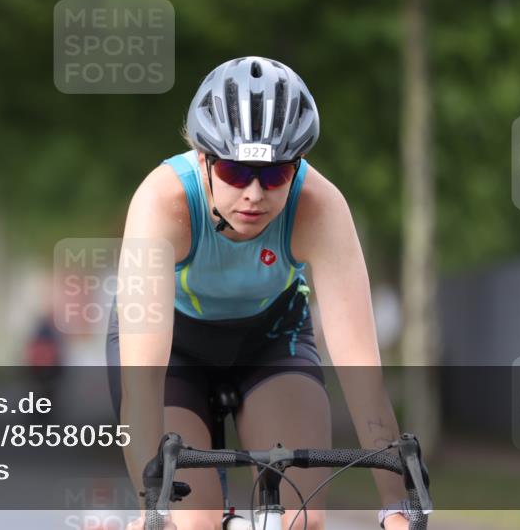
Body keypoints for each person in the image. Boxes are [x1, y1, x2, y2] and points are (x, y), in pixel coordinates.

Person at [106, 57, 412, 530]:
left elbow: (362, 376)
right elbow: (143, 382)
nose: (253, 194)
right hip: (175, 352)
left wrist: (396, 508)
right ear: (204, 161)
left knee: (300, 519)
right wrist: (155, 508)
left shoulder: (320, 207)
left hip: (270, 338)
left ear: (297, 168)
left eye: (274, 176)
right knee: (192, 525)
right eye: (234, 172)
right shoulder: (162, 202)